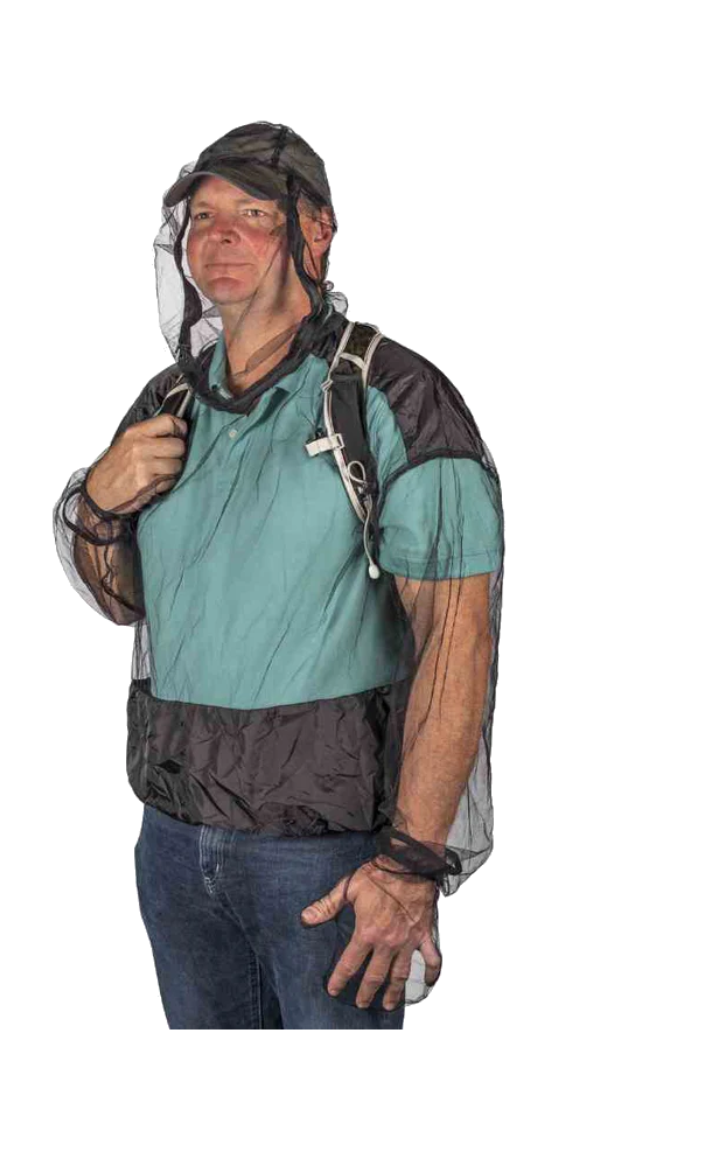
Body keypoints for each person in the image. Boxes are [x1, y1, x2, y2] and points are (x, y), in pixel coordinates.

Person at [53, 121, 505, 1030]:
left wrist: (411, 864)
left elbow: (457, 639)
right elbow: (127, 600)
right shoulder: (170, 402)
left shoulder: (391, 396)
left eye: (252, 214)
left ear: (316, 232)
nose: (218, 236)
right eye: (202, 217)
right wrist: (97, 504)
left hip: (327, 859)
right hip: (175, 844)